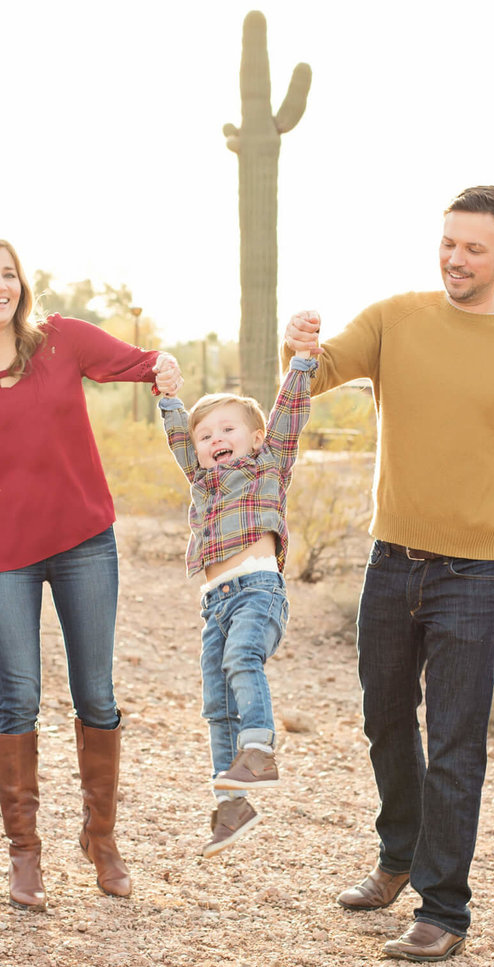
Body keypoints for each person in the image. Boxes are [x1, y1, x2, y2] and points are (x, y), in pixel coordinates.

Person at [283, 185, 494, 961]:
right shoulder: (396, 319)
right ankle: (399, 857)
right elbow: (316, 373)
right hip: (391, 564)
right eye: (448, 243)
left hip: (476, 576)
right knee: (385, 719)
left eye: (473, 248)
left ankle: (444, 909)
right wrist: (296, 345)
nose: (455, 259)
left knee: (455, 741)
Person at [0, 235, 181, 912]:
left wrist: (165, 366)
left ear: (21, 284)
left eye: (10, 274)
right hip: (4, 555)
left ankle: (102, 838)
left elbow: (136, 364)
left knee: (97, 695)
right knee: (17, 699)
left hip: (84, 539)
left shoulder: (60, 340)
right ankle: (24, 855)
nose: (1, 286)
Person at [156, 354, 319, 857]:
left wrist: (302, 364)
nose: (214, 440)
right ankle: (232, 805)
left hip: (257, 591)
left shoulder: (268, 465)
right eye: (205, 435)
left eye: (227, 429)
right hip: (215, 605)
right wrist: (167, 397)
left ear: (254, 437)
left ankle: (260, 749)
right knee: (216, 704)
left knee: (242, 658)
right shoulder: (202, 483)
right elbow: (179, 439)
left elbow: (290, 413)